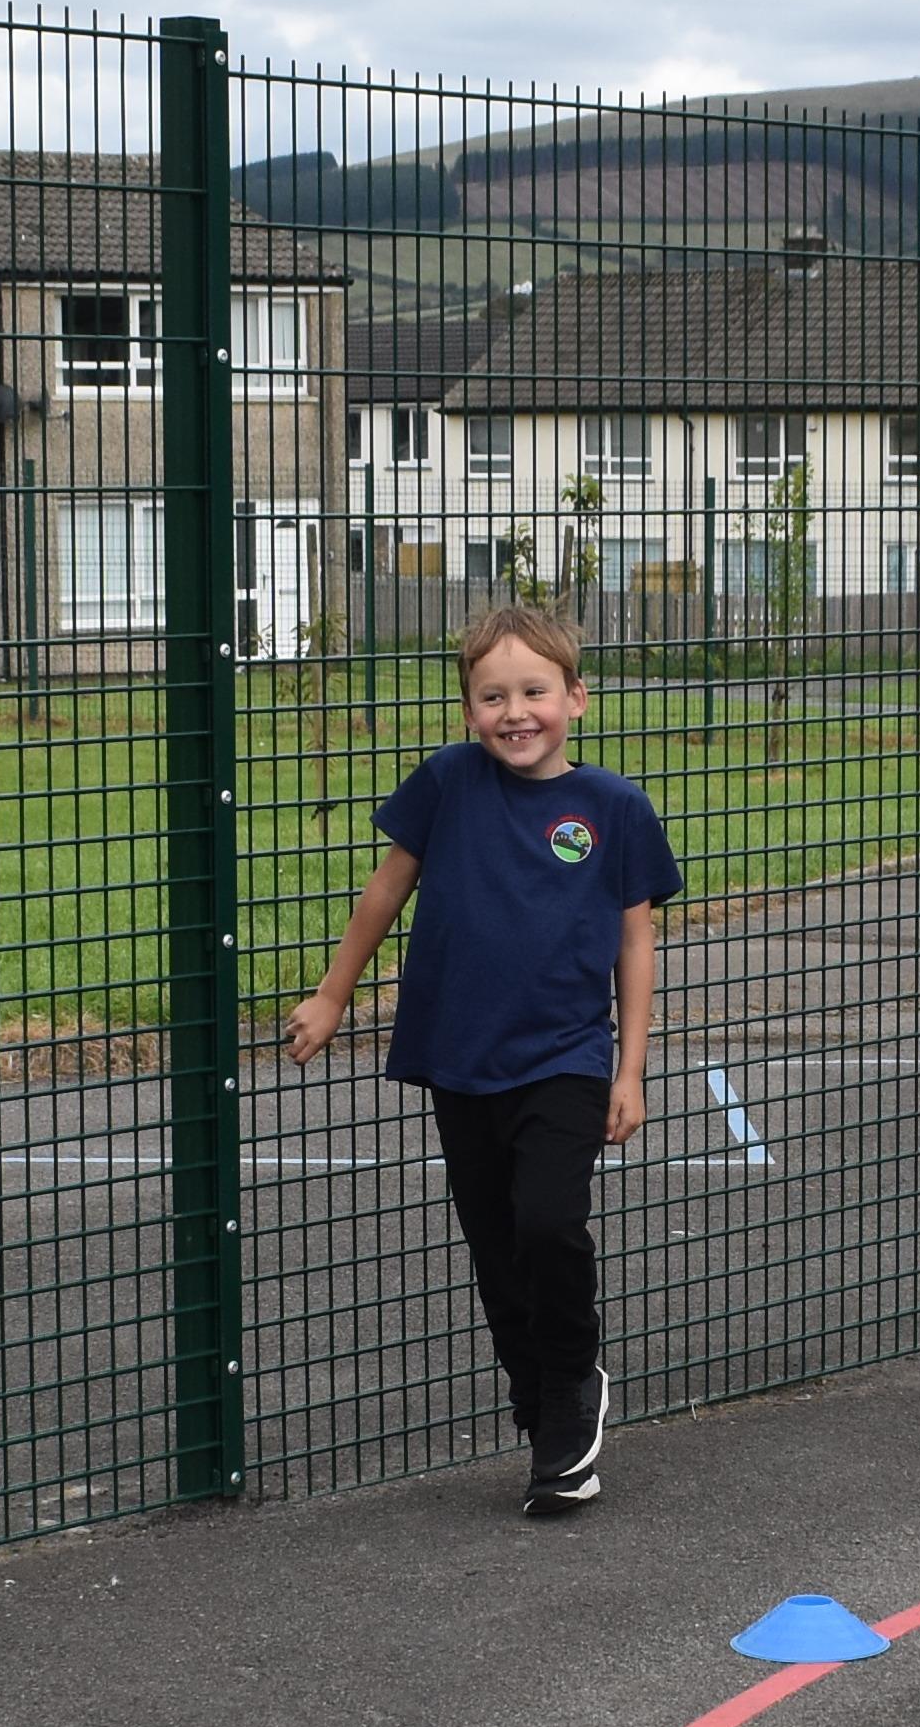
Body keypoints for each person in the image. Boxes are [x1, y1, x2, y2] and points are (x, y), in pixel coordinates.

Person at [282, 600, 681, 1516]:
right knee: (496, 1251)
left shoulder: (614, 808)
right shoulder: (448, 782)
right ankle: (546, 1420)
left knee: (547, 1223)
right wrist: (334, 995)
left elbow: (636, 942)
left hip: (567, 1059)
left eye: (534, 691)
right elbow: (385, 892)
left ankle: (571, 1385)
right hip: (459, 1055)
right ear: (469, 710)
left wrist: (629, 1070)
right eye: (493, 696)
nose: (515, 712)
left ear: (575, 697)